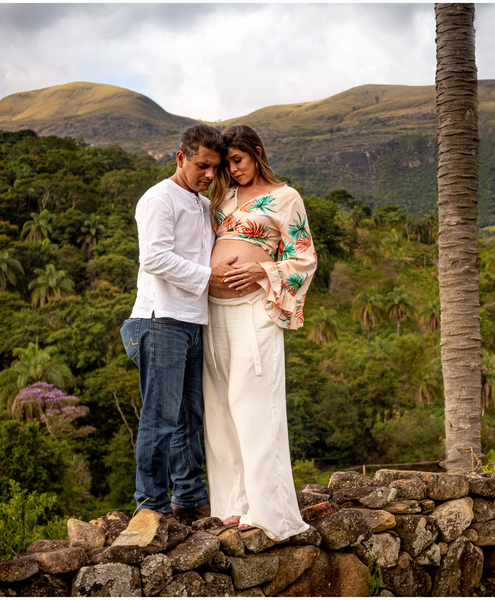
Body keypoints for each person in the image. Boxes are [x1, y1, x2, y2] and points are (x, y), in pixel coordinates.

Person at [202, 124, 316, 539]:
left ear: (257, 152)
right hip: (213, 311)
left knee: (253, 407)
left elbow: (304, 258)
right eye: (226, 165)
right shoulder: (222, 196)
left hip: (254, 309)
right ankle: (232, 506)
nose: (233, 170)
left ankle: (270, 512)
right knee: (219, 409)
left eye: (238, 160)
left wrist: (261, 270)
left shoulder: (286, 197)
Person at [119, 123, 236, 525]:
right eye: (202, 166)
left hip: (192, 321)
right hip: (159, 320)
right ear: (181, 157)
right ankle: (150, 506)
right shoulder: (159, 198)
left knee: (189, 416)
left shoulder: (202, 205)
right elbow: (154, 257)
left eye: (216, 168)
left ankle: (189, 498)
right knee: (161, 418)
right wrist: (210, 277)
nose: (209, 175)